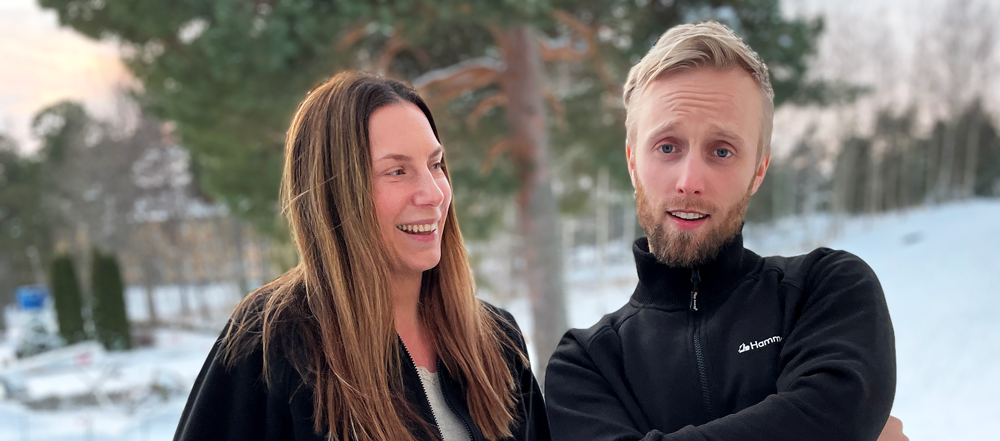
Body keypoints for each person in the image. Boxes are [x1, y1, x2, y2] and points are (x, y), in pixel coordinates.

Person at [544, 22, 904, 441]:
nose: (689, 180)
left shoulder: (826, 289)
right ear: (632, 163)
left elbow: (839, 412)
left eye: (721, 151)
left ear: (758, 171)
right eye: (667, 147)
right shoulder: (587, 365)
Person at [174, 71, 550, 441]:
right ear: (336, 193)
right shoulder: (273, 342)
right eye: (397, 171)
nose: (433, 194)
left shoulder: (496, 340)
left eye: (435, 165)